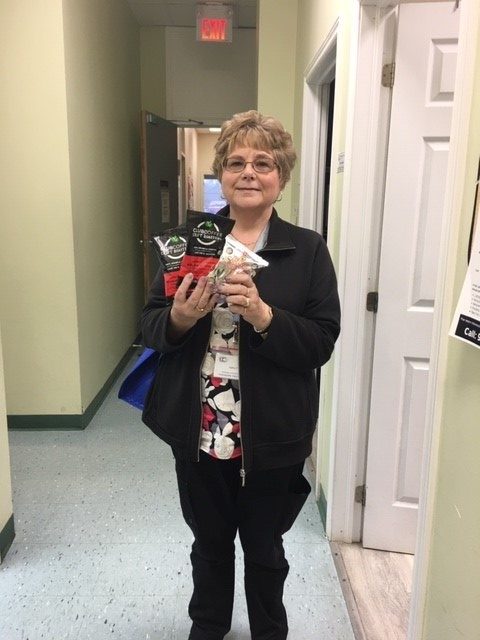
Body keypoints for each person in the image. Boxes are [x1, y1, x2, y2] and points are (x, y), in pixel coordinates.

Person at [141, 110, 341, 640]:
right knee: (209, 543)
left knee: (265, 547)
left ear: (282, 176)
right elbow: (149, 326)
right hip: (199, 423)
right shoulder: (189, 242)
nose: (248, 172)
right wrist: (180, 319)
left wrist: (264, 316)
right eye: (236, 163)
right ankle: (208, 627)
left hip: (272, 428)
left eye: (263, 163)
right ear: (222, 175)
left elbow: (322, 340)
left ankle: (269, 631)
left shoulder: (307, 249)